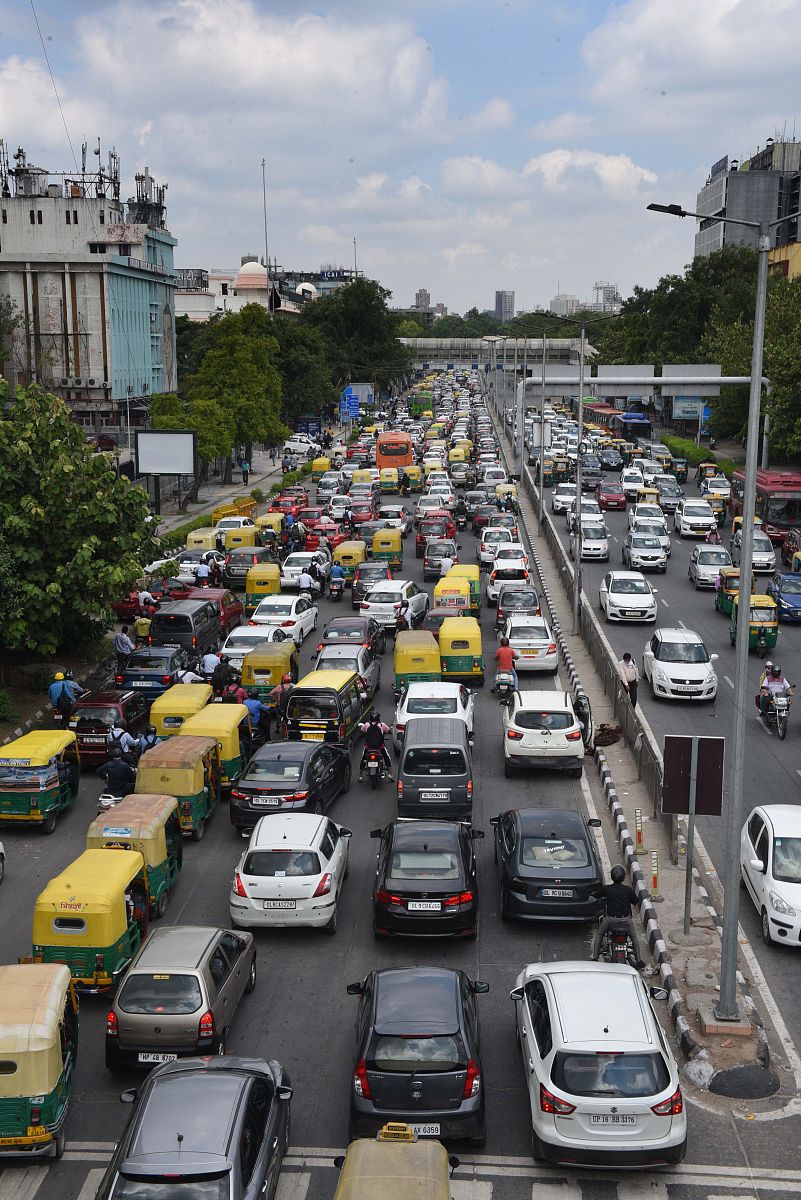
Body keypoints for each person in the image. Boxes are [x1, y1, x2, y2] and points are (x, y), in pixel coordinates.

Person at [592, 865, 644, 968]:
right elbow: (635, 901)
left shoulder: (607, 889)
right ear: (624, 877)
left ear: (612, 877)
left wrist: (591, 893)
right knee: (634, 937)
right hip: (626, 920)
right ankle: (639, 960)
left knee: (600, 934)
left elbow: (596, 895)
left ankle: (595, 957)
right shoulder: (628, 890)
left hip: (611, 919)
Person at [358, 712, 392, 781]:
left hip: (368, 747)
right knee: (387, 757)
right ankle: (390, 774)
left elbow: (361, 731)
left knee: (363, 759)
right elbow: (389, 731)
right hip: (380, 747)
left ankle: (360, 776)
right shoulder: (382, 725)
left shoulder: (367, 724)